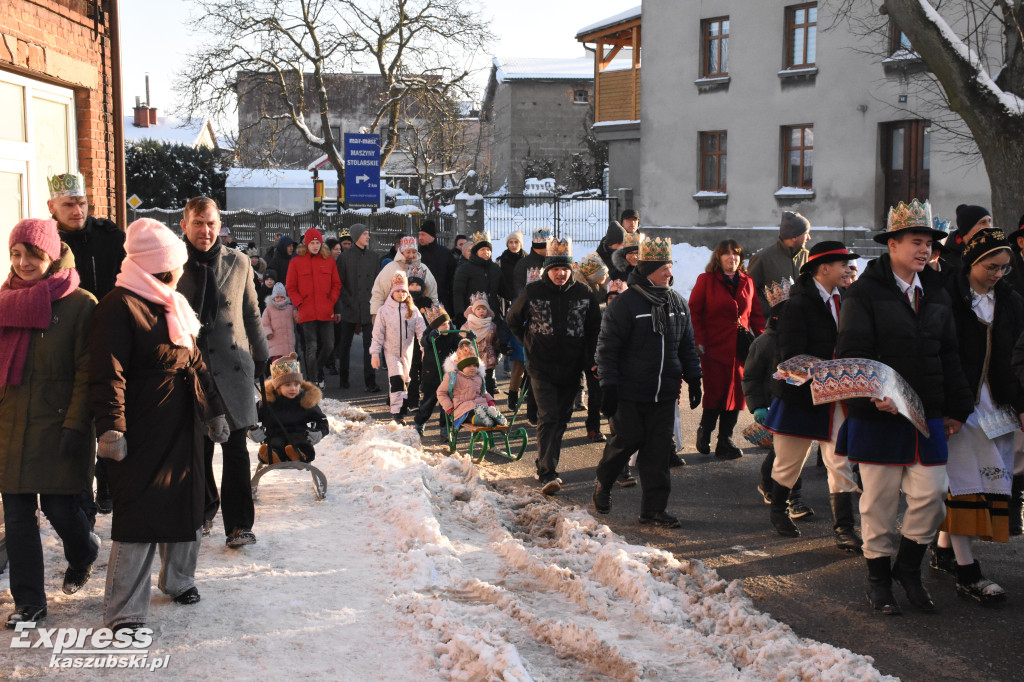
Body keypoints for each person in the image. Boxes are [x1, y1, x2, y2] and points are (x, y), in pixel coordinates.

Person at [89, 218, 229, 632]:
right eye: (176, 265)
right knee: (139, 517)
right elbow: (106, 372)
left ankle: (178, 579)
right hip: (143, 427)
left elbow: (196, 363)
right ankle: (125, 611)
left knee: (188, 504)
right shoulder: (118, 305)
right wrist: (111, 427)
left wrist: (216, 411)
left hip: (183, 424)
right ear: (159, 266)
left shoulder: (172, 303)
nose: (181, 272)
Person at [836, 199, 972, 615]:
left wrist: (956, 408)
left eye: (929, 243)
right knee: (878, 502)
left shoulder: (936, 292)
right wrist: (873, 396)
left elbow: (949, 352)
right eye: (916, 242)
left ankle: (908, 570)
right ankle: (879, 581)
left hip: (927, 415)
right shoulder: (863, 294)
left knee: (932, 497)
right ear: (891, 245)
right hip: (878, 416)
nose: (924, 250)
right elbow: (854, 354)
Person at [1, 218, 99, 628]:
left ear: (52, 254)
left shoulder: (81, 305)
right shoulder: (4, 301)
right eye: (16, 254)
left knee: (61, 510)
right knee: (19, 517)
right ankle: (29, 603)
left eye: (33, 254)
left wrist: (76, 426)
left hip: (59, 426)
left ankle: (84, 553)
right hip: (9, 426)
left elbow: (87, 373)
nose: (23, 262)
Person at [933, 229, 1024, 604]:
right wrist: (947, 407)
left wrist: (1019, 404)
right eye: (991, 266)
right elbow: (939, 353)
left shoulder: (1010, 301)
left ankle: (943, 550)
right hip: (959, 403)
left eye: (1004, 268)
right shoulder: (947, 297)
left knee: (987, 480)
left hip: (996, 406)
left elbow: (1011, 357)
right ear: (971, 261)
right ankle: (967, 570)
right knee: (962, 480)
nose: (997, 274)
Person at [177, 197, 269, 548]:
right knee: (197, 450)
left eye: (211, 223)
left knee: (234, 451)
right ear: (185, 225)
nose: (206, 230)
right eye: (198, 223)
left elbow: (251, 312)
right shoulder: (173, 263)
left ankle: (239, 525)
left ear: (220, 224)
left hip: (233, 369)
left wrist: (262, 356)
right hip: (190, 370)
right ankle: (202, 511)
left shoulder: (240, 261)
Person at [592, 236, 702, 528]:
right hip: (629, 392)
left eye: (670, 267)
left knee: (657, 452)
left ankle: (653, 510)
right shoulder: (626, 304)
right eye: (664, 267)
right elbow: (607, 348)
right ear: (649, 268)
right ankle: (604, 480)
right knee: (627, 439)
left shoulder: (677, 302)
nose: (669, 272)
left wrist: (694, 377)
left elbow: (687, 344)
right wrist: (609, 387)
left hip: (664, 392)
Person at [762, 242, 863, 549]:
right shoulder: (797, 304)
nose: (848, 269)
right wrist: (829, 368)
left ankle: (845, 527)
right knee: (789, 463)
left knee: (840, 462)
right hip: (801, 398)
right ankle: (779, 510)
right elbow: (790, 355)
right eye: (842, 263)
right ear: (823, 268)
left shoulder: (847, 299)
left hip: (838, 398)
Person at [49, 171, 126, 519]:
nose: (77, 210)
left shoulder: (109, 237)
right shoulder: (46, 242)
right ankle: (82, 499)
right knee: (77, 415)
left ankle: (108, 480)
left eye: (81, 202)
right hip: (68, 339)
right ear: (53, 207)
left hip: (111, 332)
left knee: (111, 410)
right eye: (68, 204)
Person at [507, 238, 601, 494]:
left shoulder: (584, 293)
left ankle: (543, 462)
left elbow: (594, 328)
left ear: (571, 269)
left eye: (565, 268)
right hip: (541, 366)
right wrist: (529, 343)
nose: (560, 273)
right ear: (547, 269)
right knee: (548, 416)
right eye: (555, 269)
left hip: (572, 368)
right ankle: (548, 472)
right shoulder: (533, 291)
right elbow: (513, 320)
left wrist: (589, 358)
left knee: (561, 418)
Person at [689, 240, 765, 459]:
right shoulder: (706, 280)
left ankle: (725, 441)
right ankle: (705, 431)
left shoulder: (747, 281)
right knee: (716, 392)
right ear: (718, 258)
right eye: (727, 254)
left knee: (738, 394)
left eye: (736, 254)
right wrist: (699, 341)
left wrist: (763, 342)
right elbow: (695, 313)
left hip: (740, 348)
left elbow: (756, 315)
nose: (732, 258)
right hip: (713, 347)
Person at [741, 279, 807, 510]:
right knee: (785, 452)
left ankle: (771, 487)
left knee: (784, 451)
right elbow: (750, 377)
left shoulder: (800, 339)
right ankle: (791, 499)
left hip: (796, 402)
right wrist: (757, 406)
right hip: (773, 405)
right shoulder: (764, 343)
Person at [286, 228, 341, 388]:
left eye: (318, 243)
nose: (315, 246)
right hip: (307, 310)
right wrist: (299, 303)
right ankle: (313, 380)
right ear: (306, 244)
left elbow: (336, 284)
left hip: (326, 310)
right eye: (312, 243)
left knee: (329, 345)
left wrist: (331, 301)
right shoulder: (296, 262)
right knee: (311, 346)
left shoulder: (329, 260)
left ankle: (315, 372)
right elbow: (291, 286)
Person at [370, 272, 427, 423]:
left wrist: (424, 348)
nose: (401, 294)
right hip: (391, 352)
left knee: (406, 380)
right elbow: (377, 334)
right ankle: (398, 413)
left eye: (403, 291)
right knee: (397, 380)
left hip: (407, 353)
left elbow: (422, 331)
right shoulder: (384, 311)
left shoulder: (413, 311)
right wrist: (375, 354)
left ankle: (399, 405)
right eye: (398, 291)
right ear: (392, 292)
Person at [253, 353, 328, 463]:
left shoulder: (305, 400)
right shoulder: (267, 402)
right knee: (275, 444)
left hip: (300, 436)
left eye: (296, 384)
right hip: (275, 437)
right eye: (287, 385)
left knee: (302, 444)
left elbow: (321, 420)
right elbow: (249, 418)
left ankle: (299, 454)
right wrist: (251, 431)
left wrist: (319, 432)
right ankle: (272, 455)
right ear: (278, 386)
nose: (293, 388)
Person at [335, 224, 382, 392]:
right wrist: (348, 301)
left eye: (368, 233)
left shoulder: (373, 257)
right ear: (357, 237)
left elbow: (378, 283)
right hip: (350, 307)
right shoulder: (344, 257)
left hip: (369, 307)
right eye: (365, 234)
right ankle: (343, 378)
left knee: (370, 345)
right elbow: (338, 283)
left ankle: (371, 381)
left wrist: (376, 303)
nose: (368, 237)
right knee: (344, 344)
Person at [747, 211, 811, 318]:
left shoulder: (808, 257)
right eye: (806, 233)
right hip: (773, 327)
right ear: (794, 236)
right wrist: (770, 310)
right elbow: (748, 292)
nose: (809, 237)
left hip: (803, 324)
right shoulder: (763, 258)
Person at [576, 253, 610, 441]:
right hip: (588, 348)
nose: (606, 276)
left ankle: (595, 426)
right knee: (594, 390)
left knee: (599, 390)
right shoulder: (585, 294)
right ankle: (593, 426)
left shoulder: (603, 289)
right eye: (602, 274)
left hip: (601, 346)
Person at [436, 340, 507, 428]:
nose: (472, 368)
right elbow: (441, 393)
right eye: (469, 366)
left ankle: (495, 417)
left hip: (480, 405)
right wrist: (449, 408)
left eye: (475, 366)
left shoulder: (478, 377)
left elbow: (483, 391)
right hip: (462, 408)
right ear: (461, 367)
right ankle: (482, 419)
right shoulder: (453, 377)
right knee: (471, 414)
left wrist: (490, 401)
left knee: (486, 410)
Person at [370, 236, 439, 318]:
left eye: (414, 252)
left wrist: (435, 312)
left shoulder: (423, 268)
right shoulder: (390, 268)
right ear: (402, 252)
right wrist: (376, 314)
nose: (411, 255)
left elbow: (432, 293)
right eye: (408, 252)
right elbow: (378, 292)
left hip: (420, 316)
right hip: (394, 316)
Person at [453, 231, 504, 324]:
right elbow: (458, 293)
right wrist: (460, 314)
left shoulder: (495, 268)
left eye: (488, 250)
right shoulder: (465, 268)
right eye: (482, 250)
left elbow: (502, 289)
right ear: (476, 251)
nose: (486, 252)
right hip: (472, 316)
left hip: (492, 315)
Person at [461, 292, 499, 393]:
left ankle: (490, 403)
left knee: (488, 382)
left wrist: (502, 346)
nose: (481, 311)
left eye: (484, 309)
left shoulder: (492, 325)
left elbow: (495, 341)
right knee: (474, 383)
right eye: (478, 309)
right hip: (472, 358)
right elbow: (460, 342)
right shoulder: (467, 326)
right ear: (473, 310)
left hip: (488, 358)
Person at [418, 220, 457, 313]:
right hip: (421, 304)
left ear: (432, 236)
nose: (420, 238)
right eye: (419, 235)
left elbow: (453, 280)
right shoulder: (416, 254)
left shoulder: (445, 253)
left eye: (423, 235)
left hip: (443, 302)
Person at [942, 204, 993, 273]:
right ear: (968, 228)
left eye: (989, 221)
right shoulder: (945, 258)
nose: (989, 227)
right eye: (983, 222)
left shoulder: (995, 252)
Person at [262, 282, 296, 364]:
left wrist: (296, 309)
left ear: (285, 297)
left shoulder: (290, 308)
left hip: (288, 341)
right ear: (273, 298)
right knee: (277, 363)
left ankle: (289, 377)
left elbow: (296, 319)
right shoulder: (269, 309)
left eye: (282, 297)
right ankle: (278, 376)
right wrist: (268, 332)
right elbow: (264, 323)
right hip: (275, 340)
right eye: (277, 297)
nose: (280, 299)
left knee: (289, 363)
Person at [513, 227, 551, 294]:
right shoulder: (523, 264)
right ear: (541, 247)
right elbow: (519, 290)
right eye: (549, 246)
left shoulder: (553, 262)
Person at [496, 231, 525, 310]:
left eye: (516, 242)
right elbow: (498, 281)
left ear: (521, 244)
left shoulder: (527, 260)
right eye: (511, 242)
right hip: (505, 300)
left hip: (523, 299)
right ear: (507, 244)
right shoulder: (500, 261)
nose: (514, 245)